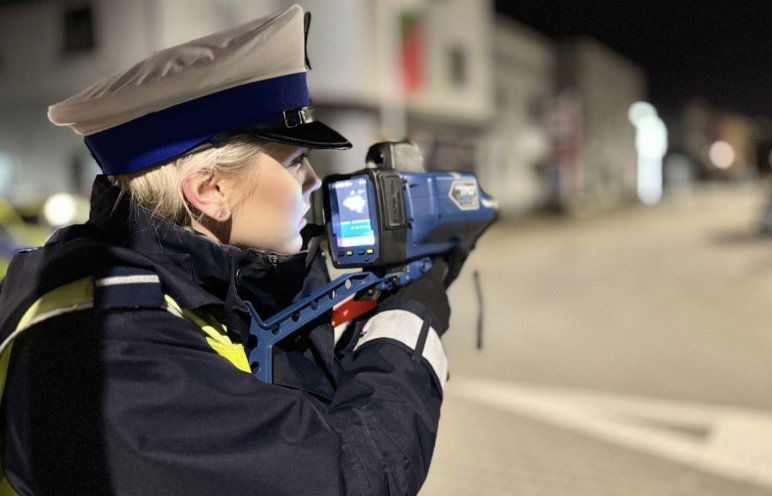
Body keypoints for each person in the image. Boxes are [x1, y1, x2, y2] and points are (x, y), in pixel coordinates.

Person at [0, 5, 454, 495]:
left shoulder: (171, 281)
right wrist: (410, 320)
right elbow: (347, 476)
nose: (313, 182)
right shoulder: (109, 356)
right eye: (297, 161)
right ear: (210, 189)